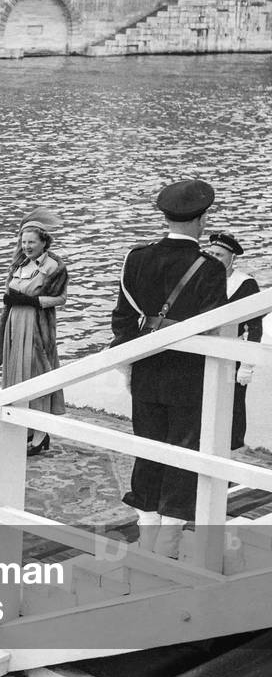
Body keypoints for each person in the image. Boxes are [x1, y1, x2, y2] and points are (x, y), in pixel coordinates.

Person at [112, 179, 227, 557]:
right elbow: (214, 328)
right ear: (202, 220)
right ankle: (169, 545)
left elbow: (123, 320)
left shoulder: (136, 257)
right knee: (184, 453)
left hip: (145, 370)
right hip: (187, 375)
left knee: (148, 449)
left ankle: (147, 538)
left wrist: (132, 363)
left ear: (165, 216)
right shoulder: (209, 267)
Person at [0, 212, 69, 456]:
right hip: (15, 325)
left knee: (38, 376)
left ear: (44, 242)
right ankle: (27, 428)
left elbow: (61, 298)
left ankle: (41, 435)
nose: (27, 247)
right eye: (24, 242)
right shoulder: (20, 264)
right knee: (18, 375)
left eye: (32, 242)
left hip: (36, 327)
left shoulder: (53, 267)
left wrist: (33, 301)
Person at [205, 231, 264, 450]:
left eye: (219, 255)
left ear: (232, 258)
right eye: (210, 253)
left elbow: (255, 328)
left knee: (234, 405)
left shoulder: (245, 285)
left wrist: (247, 364)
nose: (214, 259)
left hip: (233, 353)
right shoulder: (202, 280)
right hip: (206, 350)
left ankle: (235, 448)